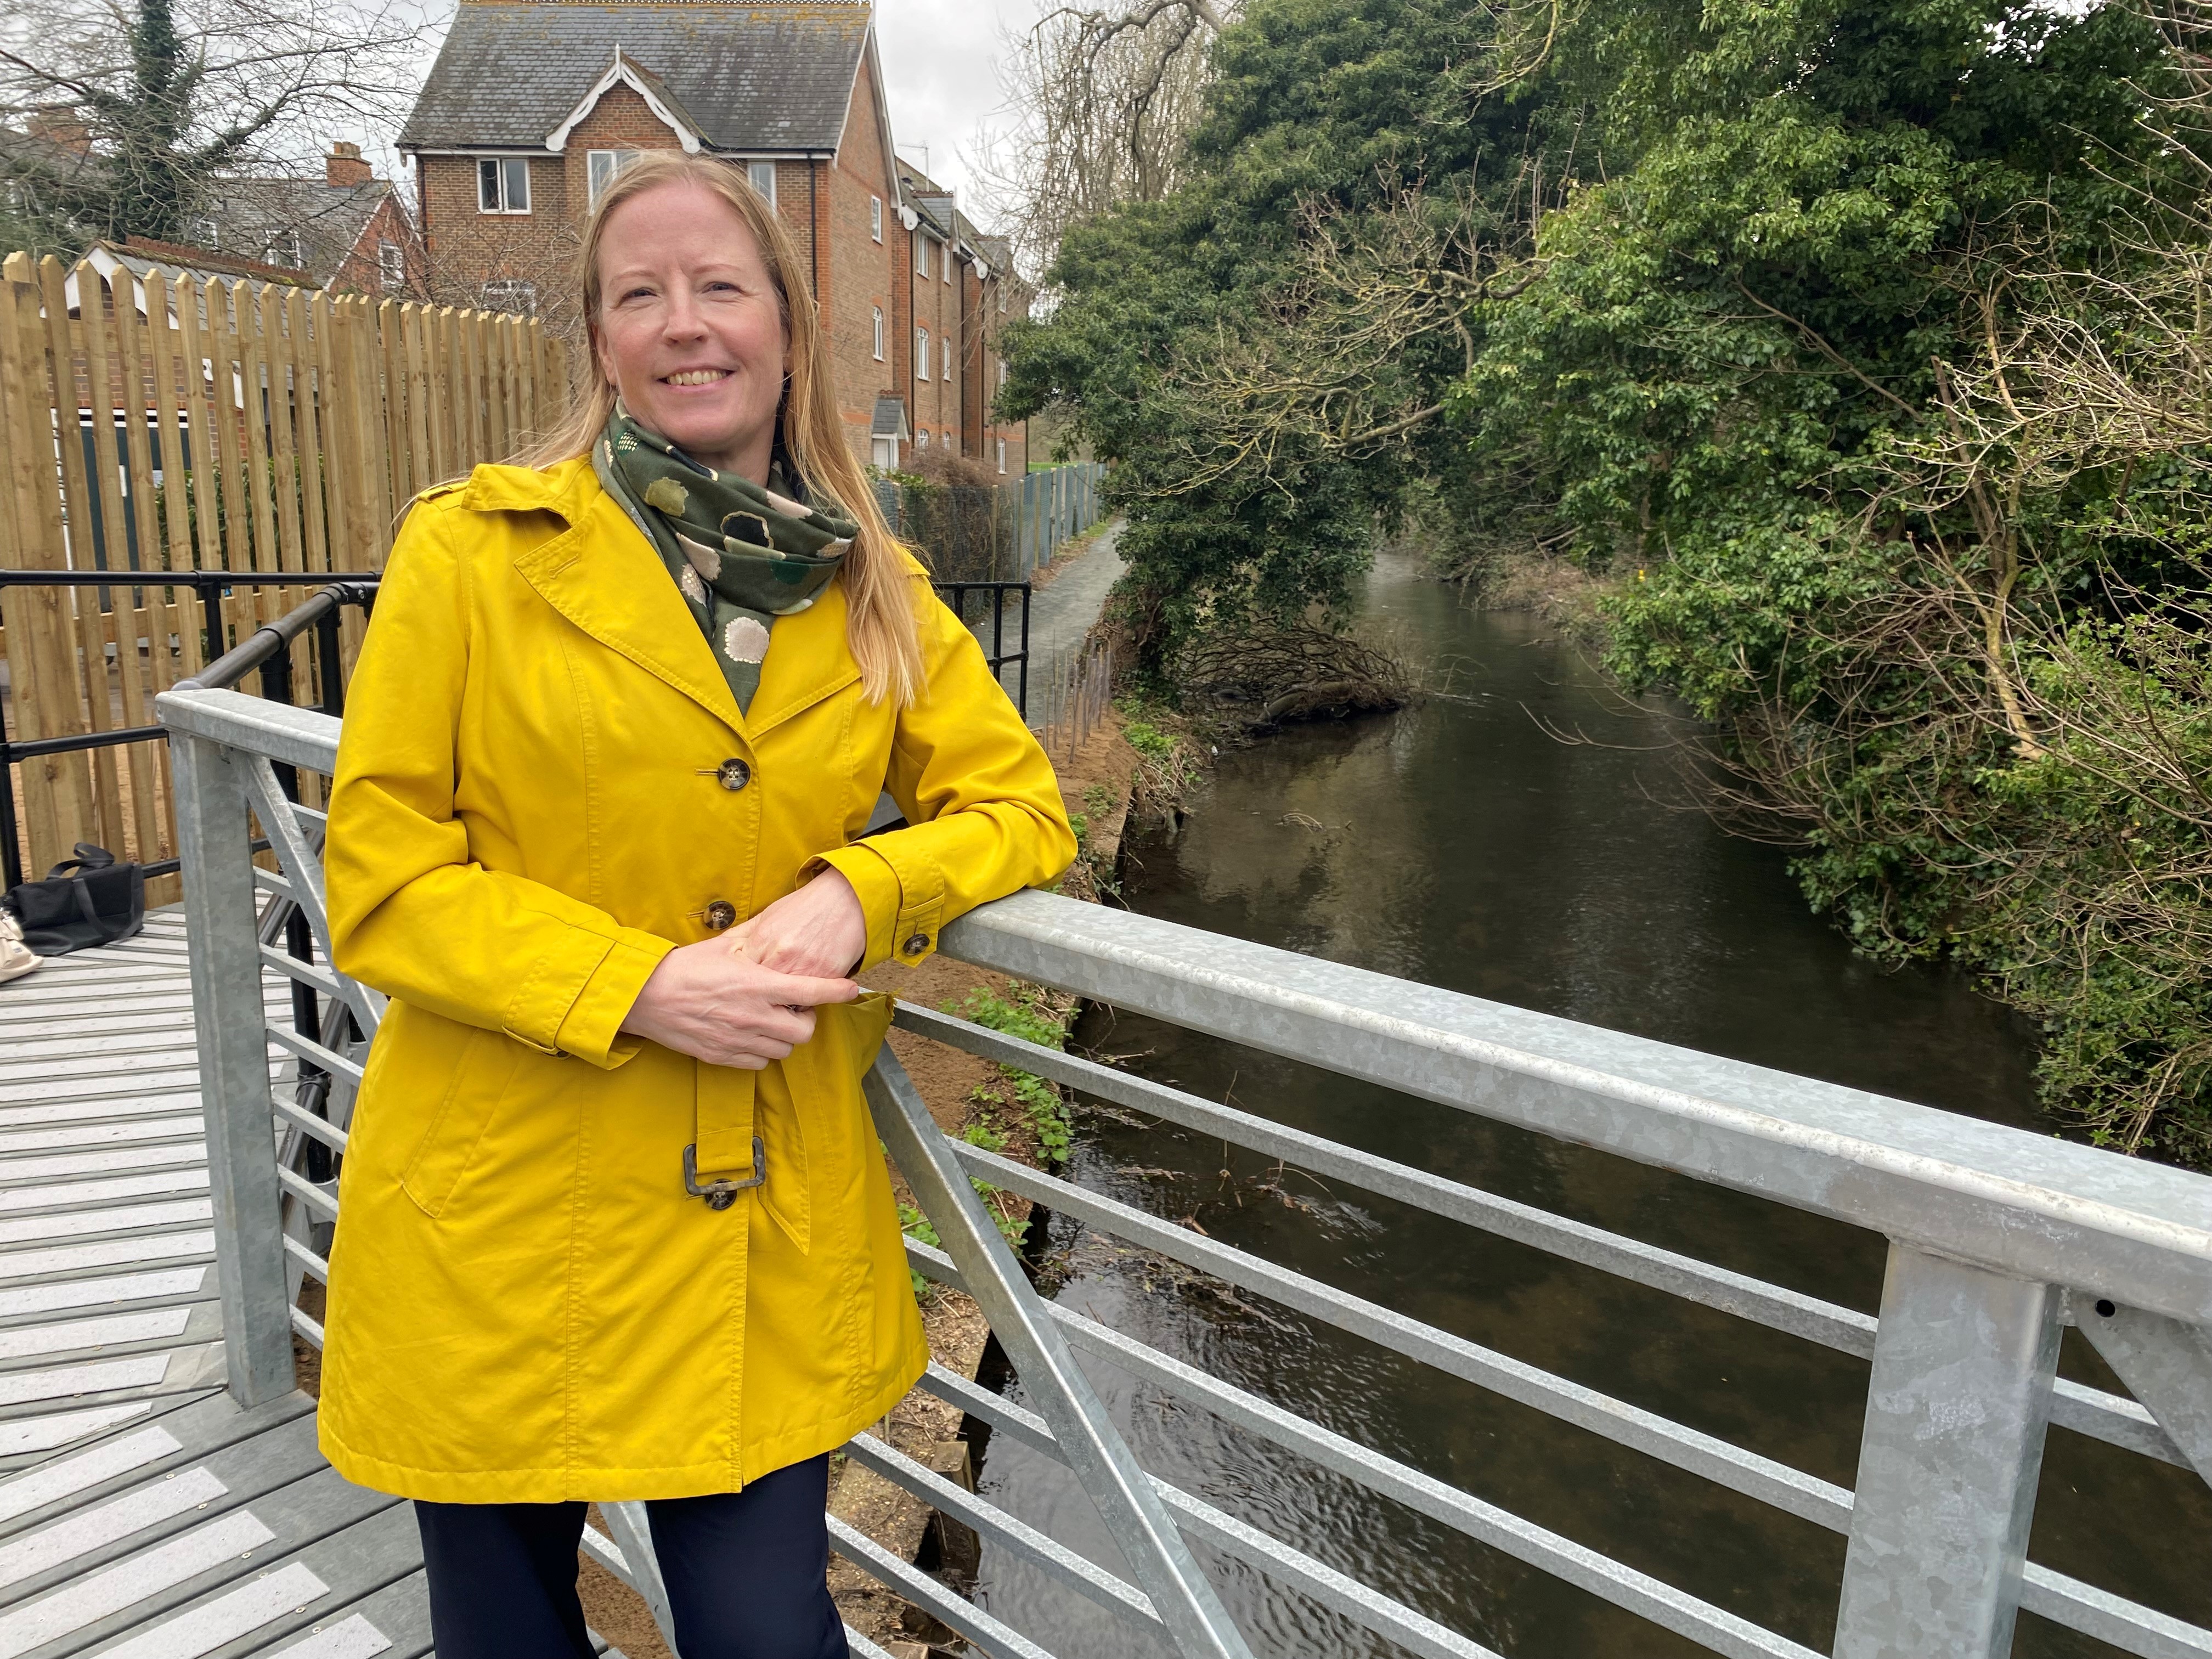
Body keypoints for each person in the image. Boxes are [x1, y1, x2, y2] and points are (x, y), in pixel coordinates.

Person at [319, 151, 1076, 1659]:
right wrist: (640, 987)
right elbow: (383, 881)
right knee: (507, 1636)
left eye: (720, 286)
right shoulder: (471, 555)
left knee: (766, 1640)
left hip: (751, 1217)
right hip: (502, 1205)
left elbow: (1021, 809)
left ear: (787, 326)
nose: (685, 325)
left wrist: (866, 889)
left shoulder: (877, 591)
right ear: (600, 342)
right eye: (639, 295)